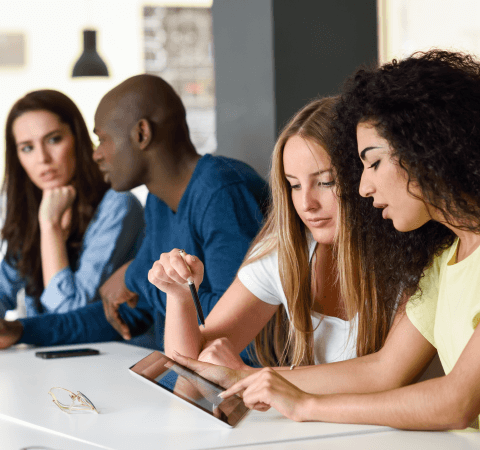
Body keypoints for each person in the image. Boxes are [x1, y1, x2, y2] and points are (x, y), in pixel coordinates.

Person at [173, 50, 480, 445]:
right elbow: (382, 371)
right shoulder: (447, 259)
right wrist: (249, 379)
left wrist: (305, 406)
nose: (363, 187)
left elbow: (456, 402)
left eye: (372, 163)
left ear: (427, 151)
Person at [0, 74, 269, 355]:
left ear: (141, 134)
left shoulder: (222, 191)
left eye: (103, 139)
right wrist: (19, 330)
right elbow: (130, 312)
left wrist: (135, 276)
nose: (96, 154)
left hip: (242, 393)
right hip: (190, 376)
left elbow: (239, 323)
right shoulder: (158, 201)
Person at [149, 97, 399, 371]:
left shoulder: (407, 259)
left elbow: (383, 377)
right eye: (294, 185)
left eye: (326, 182)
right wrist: (180, 297)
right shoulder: (287, 250)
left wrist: (253, 377)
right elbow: (191, 369)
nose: (307, 204)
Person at [0, 90, 144, 327]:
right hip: (48, 355)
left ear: (77, 139)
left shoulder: (117, 205)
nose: (42, 158)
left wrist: (50, 228)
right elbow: (0, 284)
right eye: (27, 148)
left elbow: (68, 312)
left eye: (53, 140)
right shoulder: (35, 208)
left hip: (111, 356)